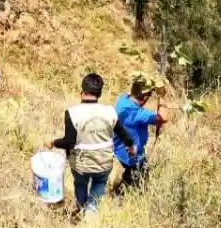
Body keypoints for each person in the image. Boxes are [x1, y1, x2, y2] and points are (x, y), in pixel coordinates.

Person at [45, 73, 136, 216]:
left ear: (81, 92)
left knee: (81, 184)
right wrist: (131, 148)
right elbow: (123, 134)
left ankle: (81, 208)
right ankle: (91, 212)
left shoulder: (72, 113)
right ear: (99, 93)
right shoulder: (109, 111)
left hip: (81, 165)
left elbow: (69, 142)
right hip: (104, 163)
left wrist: (53, 142)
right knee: (99, 184)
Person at [112, 72, 170, 197]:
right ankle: (120, 198)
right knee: (137, 179)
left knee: (134, 175)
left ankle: (120, 189)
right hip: (132, 156)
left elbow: (131, 93)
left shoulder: (123, 101)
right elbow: (164, 117)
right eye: (149, 95)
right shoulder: (138, 114)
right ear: (143, 97)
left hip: (120, 149)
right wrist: (161, 96)